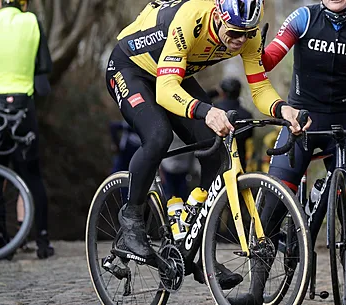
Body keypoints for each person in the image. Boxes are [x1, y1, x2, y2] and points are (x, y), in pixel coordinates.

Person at [106, 0, 309, 291]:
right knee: (159, 137)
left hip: (174, 74)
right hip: (130, 69)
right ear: (217, 16)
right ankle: (131, 220)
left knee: (217, 146)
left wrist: (282, 109)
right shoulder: (191, 17)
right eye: (234, 32)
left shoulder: (248, 32)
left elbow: (259, 87)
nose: (240, 40)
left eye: (246, 33)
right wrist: (206, 111)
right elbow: (165, 92)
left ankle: (199, 252)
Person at [229, 0, 346, 304]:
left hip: (342, 123)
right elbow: (269, 59)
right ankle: (255, 292)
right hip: (299, 121)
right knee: (273, 203)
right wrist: (254, 48)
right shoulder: (303, 16)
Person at [0, 0, 54, 259]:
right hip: (22, 108)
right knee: (32, 175)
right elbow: (45, 67)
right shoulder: (31, 22)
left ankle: (2, 242)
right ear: (24, 4)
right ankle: (42, 241)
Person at [209, 77, 254, 167]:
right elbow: (249, 136)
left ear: (222, 92)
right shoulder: (247, 115)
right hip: (238, 161)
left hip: (214, 158)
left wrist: (214, 93)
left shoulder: (212, 111)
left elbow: (199, 101)